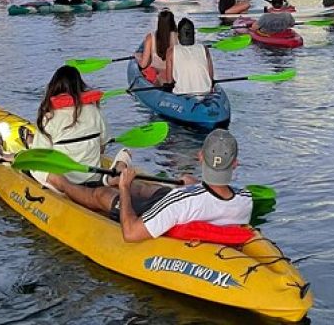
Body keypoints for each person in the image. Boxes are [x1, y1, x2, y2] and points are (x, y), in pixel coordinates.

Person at [44, 129, 253, 242]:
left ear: (200, 157)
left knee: (101, 194)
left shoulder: (179, 201)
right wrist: (196, 184)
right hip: (187, 198)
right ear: (235, 163)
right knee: (143, 187)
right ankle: (121, 174)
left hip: (173, 207)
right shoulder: (246, 199)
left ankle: (61, 182)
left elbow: (131, 233)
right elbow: (213, 198)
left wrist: (124, 189)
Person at [29, 66, 109, 187]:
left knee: (35, 166)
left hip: (65, 182)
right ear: (79, 86)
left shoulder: (49, 118)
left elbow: (40, 156)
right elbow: (102, 146)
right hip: (93, 178)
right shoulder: (94, 111)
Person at [165, 18, 214, 94]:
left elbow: (169, 80)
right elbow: (210, 77)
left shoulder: (170, 51)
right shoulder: (204, 49)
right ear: (193, 34)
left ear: (178, 35)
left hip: (182, 93)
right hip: (205, 91)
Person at [135, 10, 178, 84]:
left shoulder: (150, 38)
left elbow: (143, 64)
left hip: (158, 77)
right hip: (174, 74)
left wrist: (137, 56)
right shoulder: (179, 36)